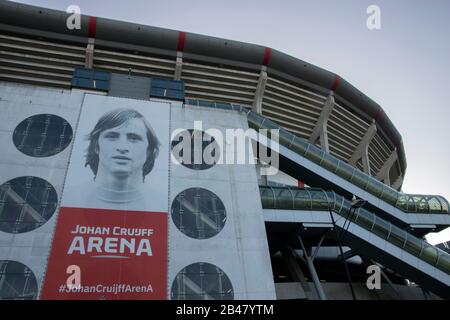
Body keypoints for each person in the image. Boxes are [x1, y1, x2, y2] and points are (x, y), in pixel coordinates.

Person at [63, 108, 161, 210]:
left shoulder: (160, 204)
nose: (122, 147)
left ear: (149, 150)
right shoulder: (68, 198)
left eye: (133, 138)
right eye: (111, 136)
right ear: (96, 146)